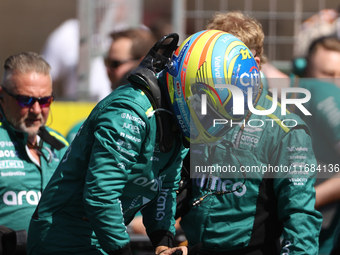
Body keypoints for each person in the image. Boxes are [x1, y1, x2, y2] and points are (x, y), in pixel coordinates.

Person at [177, 14, 323, 254]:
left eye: (228, 62)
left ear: (254, 62)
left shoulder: (286, 128)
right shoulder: (193, 112)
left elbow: (300, 212)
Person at [0, 52, 69, 251]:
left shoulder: (60, 143)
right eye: (26, 100)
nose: (37, 110)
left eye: (45, 100)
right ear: (2, 97)